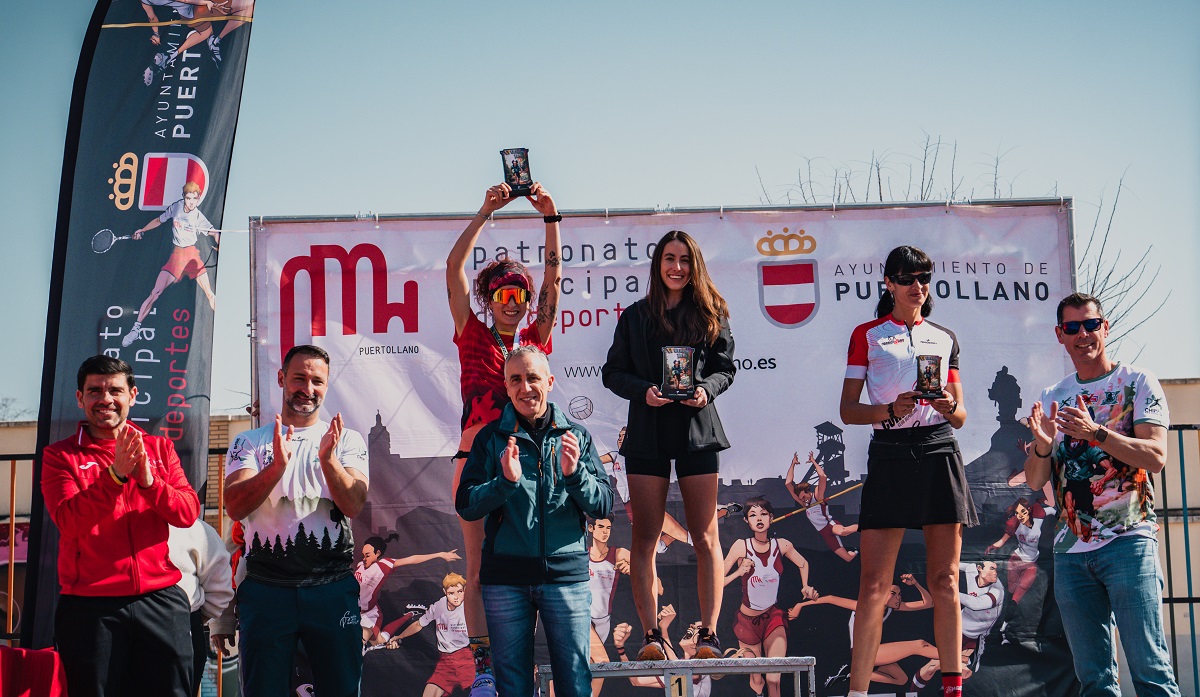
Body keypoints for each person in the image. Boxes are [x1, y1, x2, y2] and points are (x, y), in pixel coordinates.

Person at [1023, 292, 1180, 696]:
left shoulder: (1137, 382)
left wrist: (1096, 432)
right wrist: (1043, 445)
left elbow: (1157, 457)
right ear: (1060, 335)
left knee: (1151, 671)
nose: (1083, 334)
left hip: (1128, 542)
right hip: (1071, 551)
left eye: (1091, 324)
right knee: (1094, 680)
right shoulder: (1052, 395)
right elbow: (1034, 479)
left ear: (1105, 328)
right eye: (1072, 327)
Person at [839, 245, 976, 697]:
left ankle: (953, 688)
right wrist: (889, 408)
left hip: (939, 449)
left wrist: (948, 405)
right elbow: (848, 410)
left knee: (945, 579)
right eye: (908, 279)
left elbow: (960, 417)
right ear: (889, 284)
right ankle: (858, 692)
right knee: (875, 583)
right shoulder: (867, 334)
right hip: (892, 451)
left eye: (924, 278)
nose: (918, 287)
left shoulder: (944, 336)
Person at [446, 181, 561, 696]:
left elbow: (555, 283)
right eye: (503, 294)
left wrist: (551, 219)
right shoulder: (471, 331)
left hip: (527, 463)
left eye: (520, 295)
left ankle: (527, 669)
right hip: (475, 457)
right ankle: (485, 668)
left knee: (525, 566)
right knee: (477, 567)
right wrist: (486, 211)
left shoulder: (534, 344)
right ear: (489, 299)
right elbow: (453, 268)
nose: (512, 303)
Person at [602, 229, 735, 661]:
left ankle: (710, 637)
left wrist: (706, 390)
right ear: (658, 265)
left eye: (684, 260)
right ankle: (651, 638)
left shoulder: (711, 314)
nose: (676, 267)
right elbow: (612, 372)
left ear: (694, 266)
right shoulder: (635, 316)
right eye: (668, 259)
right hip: (648, 430)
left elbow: (725, 369)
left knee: (705, 535)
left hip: (698, 428)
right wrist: (644, 391)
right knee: (644, 537)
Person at [456, 346, 613, 697]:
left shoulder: (577, 437)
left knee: (574, 681)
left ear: (550, 382)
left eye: (533, 378)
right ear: (507, 387)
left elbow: (603, 504)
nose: (525, 387)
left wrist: (575, 477)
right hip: (506, 583)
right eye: (516, 380)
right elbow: (466, 504)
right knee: (513, 685)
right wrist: (504, 484)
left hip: (566, 580)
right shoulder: (490, 438)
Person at [40, 355, 201, 696]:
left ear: (133, 395)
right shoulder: (59, 456)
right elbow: (70, 522)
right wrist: (114, 477)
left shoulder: (159, 448)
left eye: (115, 389)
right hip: (90, 609)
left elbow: (187, 512)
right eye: (94, 390)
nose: (105, 399)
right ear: (80, 398)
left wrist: (148, 481)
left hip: (160, 601)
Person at [224, 344, 370, 697]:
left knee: (342, 689)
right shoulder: (249, 441)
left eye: (317, 381)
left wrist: (328, 460)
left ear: (327, 385)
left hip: (331, 589)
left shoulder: (346, 440)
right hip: (266, 590)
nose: (308, 388)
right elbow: (235, 505)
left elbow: (353, 504)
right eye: (299, 378)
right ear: (281, 379)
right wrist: (276, 467)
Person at [722, 497, 818, 697]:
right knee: (757, 680)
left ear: (771, 518)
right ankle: (757, 688)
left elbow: (803, 563)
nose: (759, 518)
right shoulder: (741, 546)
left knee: (774, 678)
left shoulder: (782, 545)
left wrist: (805, 586)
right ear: (746, 521)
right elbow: (717, 582)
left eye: (763, 514)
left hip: (773, 618)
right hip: (747, 621)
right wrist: (739, 572)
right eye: (753, 515)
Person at [789, 575, 938, 688]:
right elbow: (830, 598)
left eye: (899, 595)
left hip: (872, 653)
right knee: (919, 645)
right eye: (893, 593)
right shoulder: (866, 606)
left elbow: (929, 603)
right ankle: (956, 659)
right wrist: (799, 606)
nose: (898, 598)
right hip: (862, 652)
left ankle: (854, 674)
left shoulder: (891, 608)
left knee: (901, 680)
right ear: (882, 593)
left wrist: (916, 584)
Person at [122, 181, 221, 347]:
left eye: (194, 199)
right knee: (156, 292)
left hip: (191, 256)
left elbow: (214, 233)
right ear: (184, 197)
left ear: (198, 200)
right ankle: (135, 330)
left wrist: (219, 240)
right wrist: (142, 230)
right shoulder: (176, 208)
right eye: (188, 198)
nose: (191, 202)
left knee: (209, 293)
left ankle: (221, 323)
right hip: (177, 256)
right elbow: (159, 220)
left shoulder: (198, 217)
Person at [354, 534, 461, 645]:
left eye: (367, 555)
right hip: (353, 610)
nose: (364, 558)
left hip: (369, 613)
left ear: (378, 553)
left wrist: (440, 555)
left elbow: (412, 559)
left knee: (358, 642)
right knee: (379, 641)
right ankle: (409, 615)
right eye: (363, 555)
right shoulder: (360, 565)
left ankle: (410, 614)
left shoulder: (383, 565)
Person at [167, 519, 234, 697]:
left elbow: (220, 585)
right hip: (186, 620)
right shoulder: (196, 528)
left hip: (185, 622)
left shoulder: (195, 528)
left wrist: (196, 618)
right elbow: (221, 586)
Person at [386, 573, 473, 697]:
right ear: (445, 592)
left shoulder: (471, 606)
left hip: (465, 658)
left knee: (484, 691)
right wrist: (399, 636)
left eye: (460, 591)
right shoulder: (439, 606)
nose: (456, 597)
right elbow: (418, 625)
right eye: (451, 593)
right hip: (445, 661)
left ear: (465, 590)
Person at [785, 451, 859, 562]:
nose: (802, 500)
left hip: (830, 525)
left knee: (842, 532)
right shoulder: (804, 504)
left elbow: (822, 476)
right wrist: (793, 463)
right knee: (848, 558)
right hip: (824, 533)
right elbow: (788, 483)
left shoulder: (817, 497)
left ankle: (863, 525)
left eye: (803, 496)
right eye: (800, 499)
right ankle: (855, 552)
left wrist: (814, 461)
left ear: (807, 491)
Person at [958, 560, 1003, 674]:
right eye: (991, 568)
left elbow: (976, 604)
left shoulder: (997, 590)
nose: (995, 572)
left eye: (996, 569)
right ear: (979, 568)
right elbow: (951, 565)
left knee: (965, 671)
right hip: (959, 626)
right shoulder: (971, 570)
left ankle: (956, 689)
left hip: (976, 635)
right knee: (934, 664)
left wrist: (949, 591)